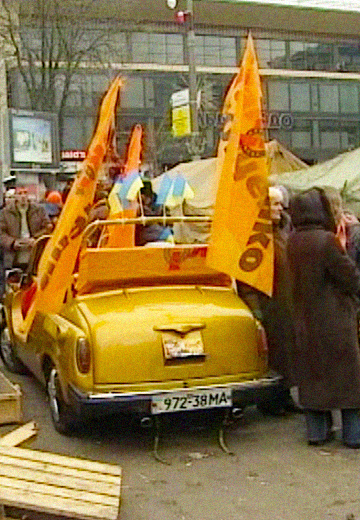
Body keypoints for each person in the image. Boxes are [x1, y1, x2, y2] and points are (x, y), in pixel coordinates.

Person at [287, 187, 360, 448]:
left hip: (305, 319)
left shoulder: (292, 241)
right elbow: (350, 277)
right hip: (335, 320)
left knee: (313, 378)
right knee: (348, 382)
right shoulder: (327, 240)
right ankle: (353, 435)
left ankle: (317, 433)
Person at [237, 186, 296, 413]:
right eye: (274, 204)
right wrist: (255, 309)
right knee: (273, 352)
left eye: (281, 204)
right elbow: (247, 278)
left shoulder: (283, 231)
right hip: (266, 302)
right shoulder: (256, 237)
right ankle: (270, 401)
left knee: (288, 351)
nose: (279, 209)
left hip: (285, 300)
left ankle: (285, 395)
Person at [0, 185, 51, 271]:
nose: (23, 196)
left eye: (25, 193)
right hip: (13, 258)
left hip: (35, 256)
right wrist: (12, 242)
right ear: (15, 196)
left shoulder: (39, 210)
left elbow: (48, 228)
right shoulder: (5, 213)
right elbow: (1, 233)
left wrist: (35, 239)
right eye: (20, 193)